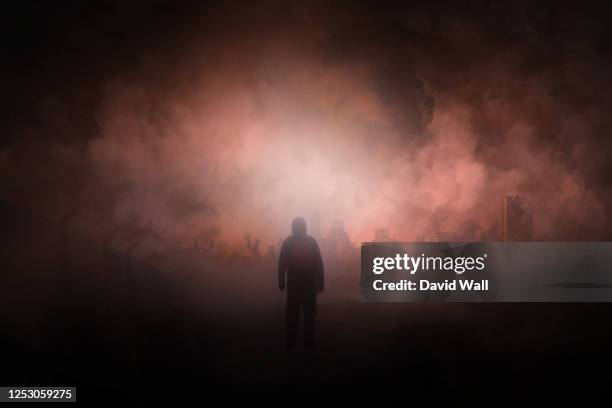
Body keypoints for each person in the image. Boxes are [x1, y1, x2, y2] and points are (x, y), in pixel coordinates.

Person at [278, 217, 324, 350]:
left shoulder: (288, 242)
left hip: (294, 284)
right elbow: (319, 264)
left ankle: (290, 343)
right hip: (309, 285)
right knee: (309, 316)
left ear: (293, 228)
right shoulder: (312, 242)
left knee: (292, 315)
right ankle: (308, 344)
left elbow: (282, 263)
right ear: (305, 227)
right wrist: (321, 283)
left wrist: (281, 280)